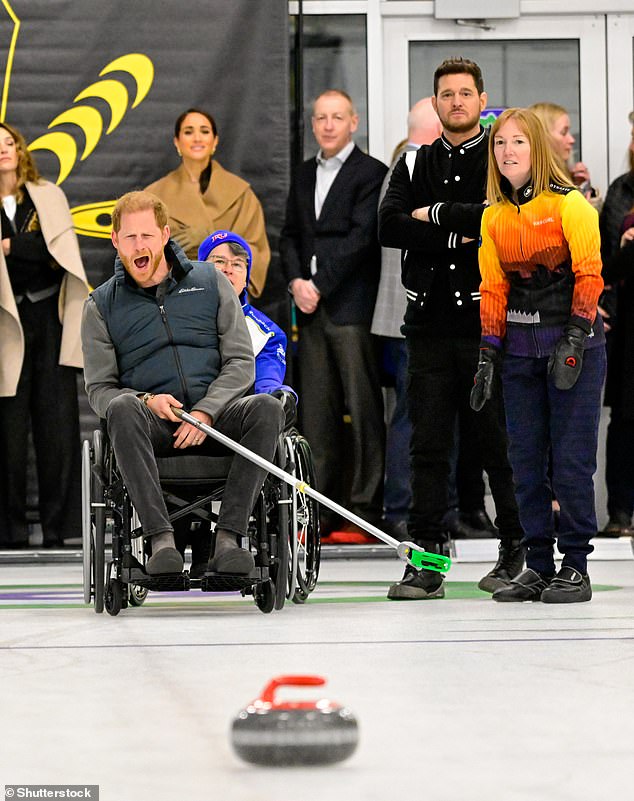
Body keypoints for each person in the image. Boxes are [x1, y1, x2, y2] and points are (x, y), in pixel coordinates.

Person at [379, 57, 524, 600]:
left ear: (481, 100)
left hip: (491, 323)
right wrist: (460, 229)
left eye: (466, 93)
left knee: (498, 444)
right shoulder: (413, 162)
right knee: (428, 446)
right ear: (436, 103)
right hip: (428, 325)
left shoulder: (502, 156)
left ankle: (515, 551)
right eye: (447, 94)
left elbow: (502, 220)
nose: (457, 101)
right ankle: (427, 561)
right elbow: (389, 227)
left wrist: (434, 214)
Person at [81, 191, 285, 576]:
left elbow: (241, 362)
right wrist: (147, 399)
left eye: (146, 236)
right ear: (115, 241)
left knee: (267, 407)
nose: (139, 245)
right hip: (155, 423)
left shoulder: (210, 281)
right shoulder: (100, 305)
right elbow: (100, 389)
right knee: (121, 408)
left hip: (218, 417)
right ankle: (161, 540)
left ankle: (229, 538)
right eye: (129, 237)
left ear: (164, 235)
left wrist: (207, 410)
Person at [472, 107, 606, 603]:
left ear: (538, 149)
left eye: (519, 143)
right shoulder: (494, 215)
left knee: (570, 462)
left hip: (572, 351)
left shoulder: (571, 206)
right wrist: (488, 354)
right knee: (524, 462)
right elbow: (492, 288)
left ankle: (575, 566)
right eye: (501, 143)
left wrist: (574, 339)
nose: (508, 151)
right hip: (518, 356)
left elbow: (591, 275)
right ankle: (537, 563)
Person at [280, 89, 387, 535]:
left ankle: (363, 510)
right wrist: (294, 284)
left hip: (350, 310)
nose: (327, 125)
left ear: (353, 122)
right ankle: (318, 511)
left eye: (336, 117)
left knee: (362, 410)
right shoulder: (303, 174)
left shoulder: (372, 172)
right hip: (308, 311)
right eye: (320, 117)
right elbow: (288, 236)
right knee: (316, 417)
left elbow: (363, 238)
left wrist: (318, 286)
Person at [0, 122, 89, 548]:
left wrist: (13, 248)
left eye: (9, 142)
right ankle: (10, 533)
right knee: (8, 434)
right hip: (4, 323)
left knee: (57, 430)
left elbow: (56, 256)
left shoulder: (48, 195)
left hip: (47, 319)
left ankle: (59, 530)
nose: (3, 150)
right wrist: (31, 249)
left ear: (20, 149)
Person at [371, 97, 442, 540]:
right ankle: (400, 507)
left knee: (424, 415)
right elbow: (400, 232)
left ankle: (425, 508)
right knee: (411, 416)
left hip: (420, 315)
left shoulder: (410, 167)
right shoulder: (411, 168)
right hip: (408, 317)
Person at [145, 108, 270, 298]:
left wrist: (211, 239)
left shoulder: (241, 195)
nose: (197, 138)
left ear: (215, 141)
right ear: (176, 142)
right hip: (172, 300)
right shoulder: (153, 196)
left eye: (204, 131)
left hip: (226, 300)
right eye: (188, 132)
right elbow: (142, 252)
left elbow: (256, 252)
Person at [598, 111, 634, 536]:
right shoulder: (621, 191)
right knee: (625, 417)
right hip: (628, 323)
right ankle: (620, 511)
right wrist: (626, 245)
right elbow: (604, 265)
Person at [529, 102, 601, 208]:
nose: (571, 140)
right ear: (543, 137)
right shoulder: (532, 187)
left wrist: (582, 188)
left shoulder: (561, 179)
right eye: (563, 132)